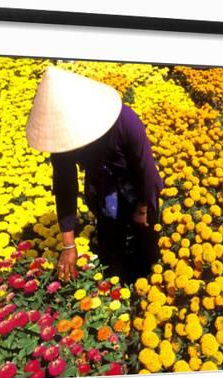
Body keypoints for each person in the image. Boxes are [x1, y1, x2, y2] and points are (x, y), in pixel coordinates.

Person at [26, 65, 163, 284]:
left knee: (146, 241)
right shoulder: (62, 139)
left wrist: (143, 208)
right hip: (103, 187)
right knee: (110, 241)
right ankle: (115, 283)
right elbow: (65, 186)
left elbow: (145, 169)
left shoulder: (125, 121)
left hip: (137, 186)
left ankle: (147, 280)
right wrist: (68, 244)